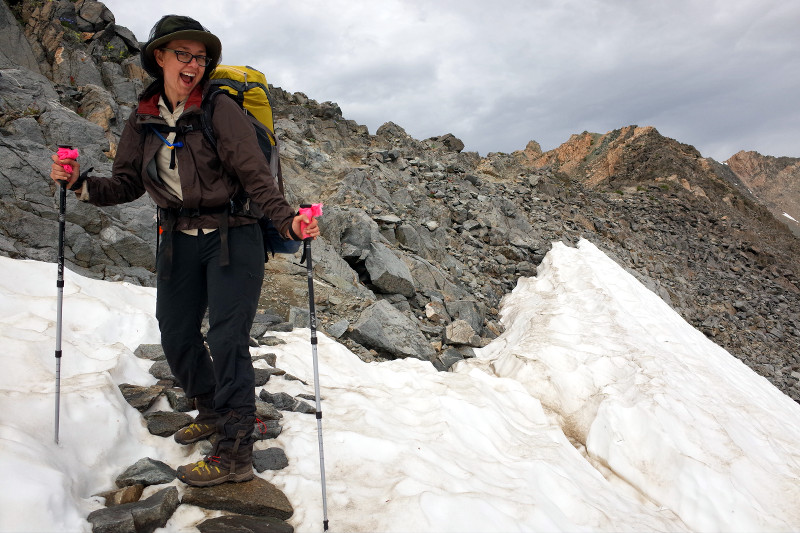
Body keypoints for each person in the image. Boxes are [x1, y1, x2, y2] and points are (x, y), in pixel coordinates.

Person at [49, 14, 320, 487]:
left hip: (235, 235)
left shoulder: (221, 109)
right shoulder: (144, 115)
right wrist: (81, 185)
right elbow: (128, 183)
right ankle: (213, 410)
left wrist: (287, 220)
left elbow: (255, 174)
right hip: (177, 237)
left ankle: (235, 453)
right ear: (160, 57)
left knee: (227, 338)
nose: (193, 64)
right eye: (183, 54)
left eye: (200, 57)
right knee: (175, 332)